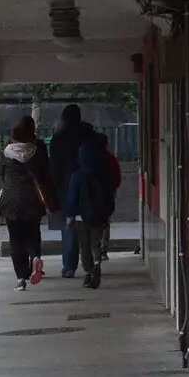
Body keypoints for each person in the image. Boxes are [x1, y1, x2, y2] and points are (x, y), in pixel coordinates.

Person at [0, 116, 56, 291]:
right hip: (32, 199)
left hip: (11, 200)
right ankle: (35, 256)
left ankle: (21, 279)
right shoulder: (38, 149)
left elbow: (2, 175)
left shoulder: (6, 151)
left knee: (15, 239)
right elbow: (46, 173)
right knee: (32, 231)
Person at [64, 132, 117, 289]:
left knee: (84, 245)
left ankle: (88, 272)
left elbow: (72, 198)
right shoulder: (105, 172)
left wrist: (69, 216)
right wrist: (108, 213)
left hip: (82, 217)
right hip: (100, 215)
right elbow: (110, 193)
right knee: (96, 243)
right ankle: (97, 263)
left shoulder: (77, 175)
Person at [48, 104, 94, 278]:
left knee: (68, 226)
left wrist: (52, 190)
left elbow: (54, 168)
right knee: (91, 225)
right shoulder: (90, 135)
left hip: (66, 187)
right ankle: (92, 264)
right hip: (90, 185)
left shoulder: (58, 139)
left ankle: (69, 266)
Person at [96, 132, 122, 261]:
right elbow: (117, 177)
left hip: (93, 194)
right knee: (105, 222)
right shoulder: (110, 158)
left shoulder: (89, 158)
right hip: (108, 193)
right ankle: (103, 250)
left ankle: (94, 248)